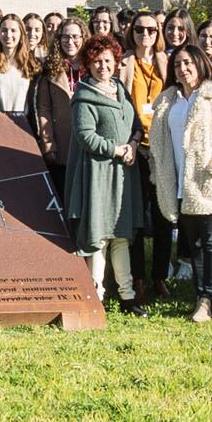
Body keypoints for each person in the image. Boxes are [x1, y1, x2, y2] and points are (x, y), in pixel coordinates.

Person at [147, 43, 212, 323]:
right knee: (194, 245)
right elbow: (159, 143)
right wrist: (159, 171)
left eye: (189, 63)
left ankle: (208, 299)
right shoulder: (168, 101)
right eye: (178, 64)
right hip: (180, 183)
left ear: (201, 64)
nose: (183, 68)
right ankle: (200, 295)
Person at [65, 38, 146, 311]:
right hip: (98, 173)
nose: (103, 66)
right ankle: (94, 298)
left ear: (115, 62)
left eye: (108, 61)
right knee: (98, 238)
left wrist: (133, 145)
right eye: (97, 61)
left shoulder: (121, 90)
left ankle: (128, 296)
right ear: (88, 64)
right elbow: (85, 135)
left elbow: (135, 123)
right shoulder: (84, 95)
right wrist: (116, 150)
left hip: (124, 173)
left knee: (121, 236)